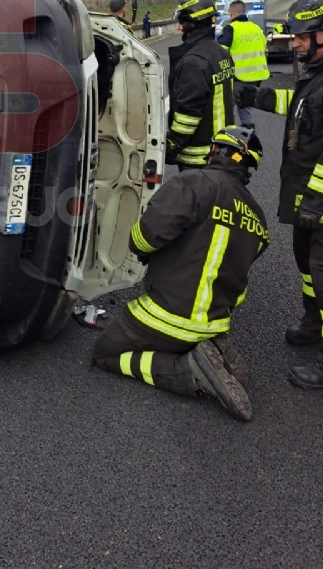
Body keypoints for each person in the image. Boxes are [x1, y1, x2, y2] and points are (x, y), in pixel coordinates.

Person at [93, 126, 268, 421]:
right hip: (214, 322)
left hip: (166, 317)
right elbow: (239, 290)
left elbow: (143, 239)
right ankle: (208, 348)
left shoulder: (193, 183)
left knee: (104, 353)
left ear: (215, 151)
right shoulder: (258, 219)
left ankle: (189, 370)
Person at [235, 0, 323, 388]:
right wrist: (260, 97)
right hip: (306, 195)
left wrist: (316, 201)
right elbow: (302, 107)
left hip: (318, 199)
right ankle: (314, 320)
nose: (297, 44)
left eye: (304, 37)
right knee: (307, 265)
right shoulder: (314, 74)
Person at [167, 0, 234, 168]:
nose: (179, 28)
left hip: (199, 157)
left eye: (182, 22)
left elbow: (188, 113)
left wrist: (172, 144)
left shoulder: (194, 61)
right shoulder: (221, 52)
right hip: (222, 149)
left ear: (193, 23)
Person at [217, 0, 269, 127]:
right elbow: (264, 49)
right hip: (257, 77)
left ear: (231, 14)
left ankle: (226, 135)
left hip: (239, 77)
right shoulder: (256, 28)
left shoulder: (231, 28)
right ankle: (249, 133)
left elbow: (220, 51)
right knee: (244, 107)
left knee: (225, 110)